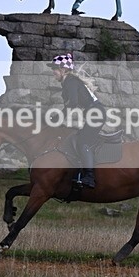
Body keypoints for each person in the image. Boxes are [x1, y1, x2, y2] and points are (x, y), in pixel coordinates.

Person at [49, 53, 104, 188]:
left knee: (83, 142)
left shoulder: (71, 81)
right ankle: (79, 172)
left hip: (95, 114)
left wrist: (58, 117)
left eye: (55, 69)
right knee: (76, 138)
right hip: (93, 113)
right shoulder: (69, 82)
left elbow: (72, 103)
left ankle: (90, 177)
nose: (53, 73)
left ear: (63, 70)